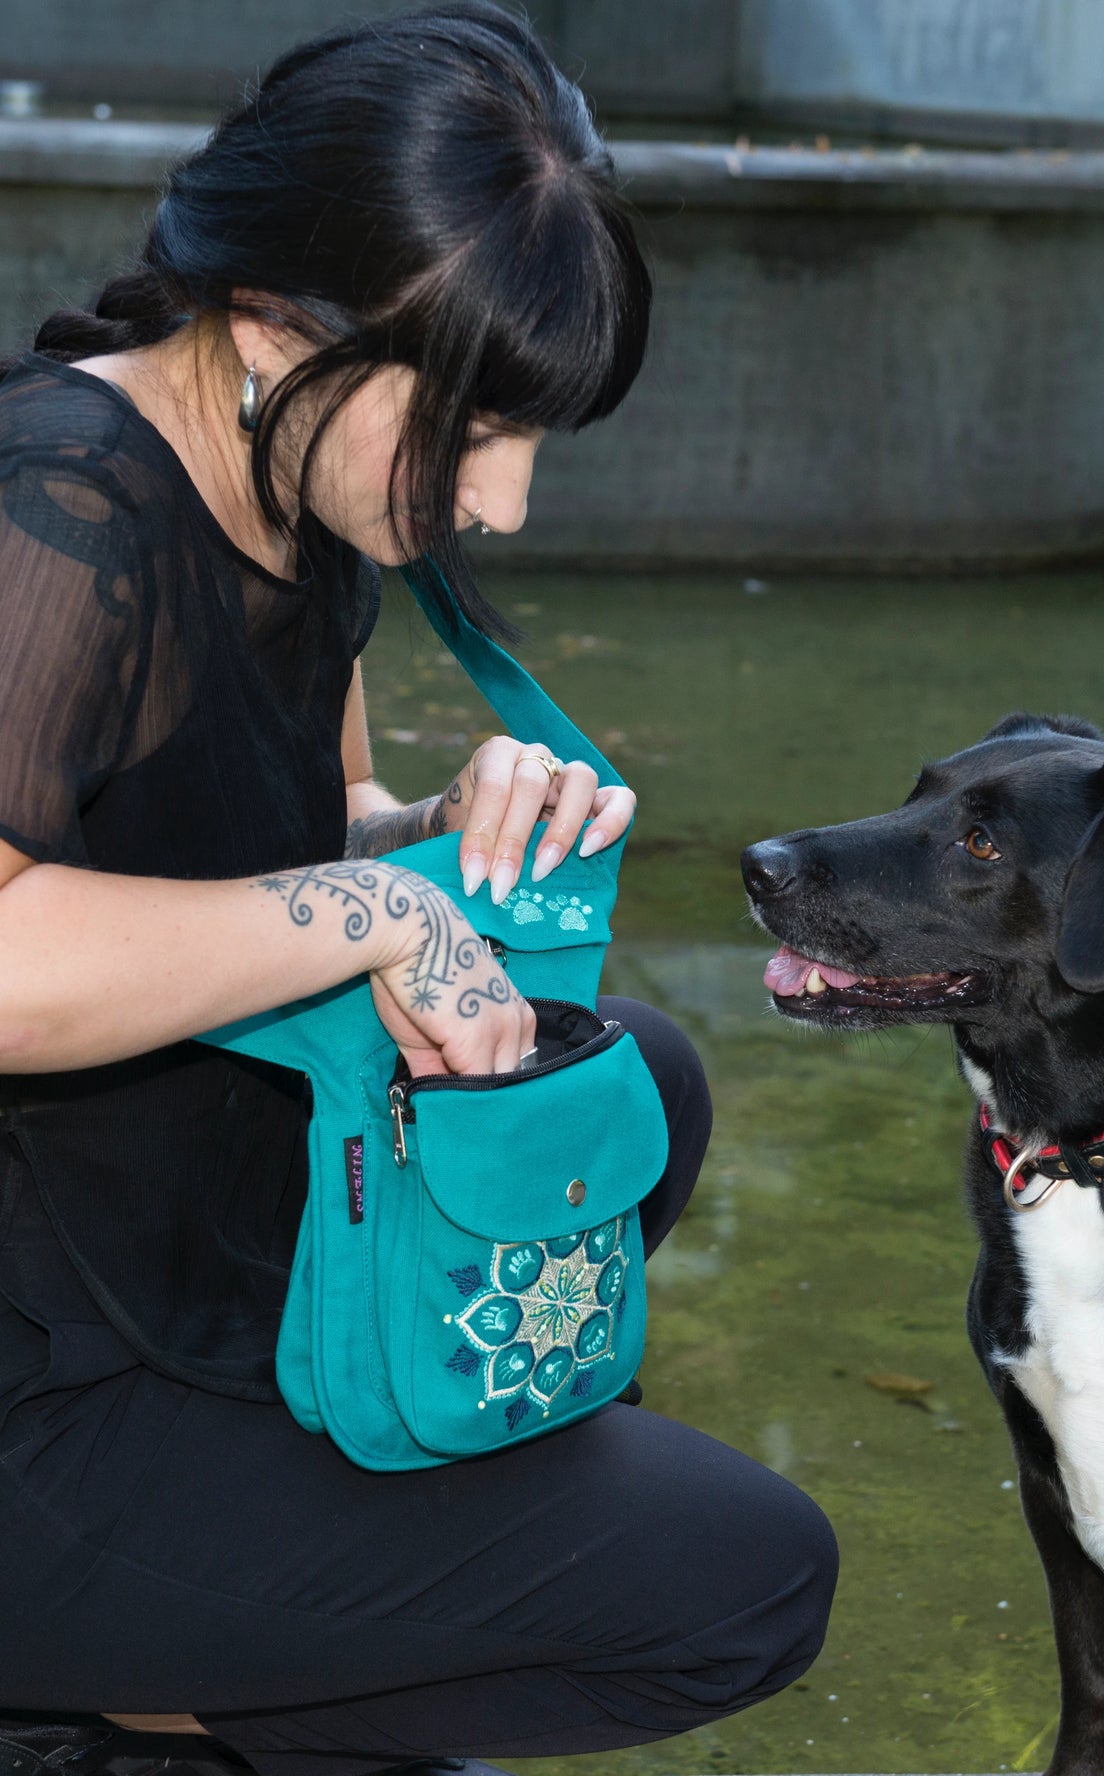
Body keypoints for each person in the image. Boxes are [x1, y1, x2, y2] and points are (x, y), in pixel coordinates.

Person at [0, 8, 837, 1775]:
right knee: (742, 1589)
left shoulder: (291, 502)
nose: (506, 503)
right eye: (473, 428)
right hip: (41, 1357)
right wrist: (381, 918)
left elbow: (263, 832)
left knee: (631, 1090)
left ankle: (250, 1644)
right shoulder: (56, 510)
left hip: (183, 1214)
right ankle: (122, 1704)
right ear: (269, 321)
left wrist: (436, 833)